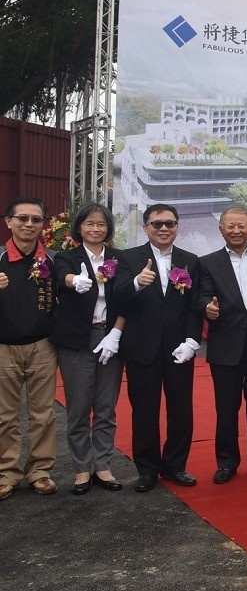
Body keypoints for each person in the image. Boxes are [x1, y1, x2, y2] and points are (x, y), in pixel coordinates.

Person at [113, 203, 203, 492]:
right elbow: (117, 298)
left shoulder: (190, 260)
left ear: (177, 227)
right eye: (157, 224)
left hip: (179, 350)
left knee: (181, 410)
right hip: (142, 348)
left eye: (169, 223)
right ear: (145, 228)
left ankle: (175, 465)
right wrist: (137, 283)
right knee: (144, 411)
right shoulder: (128, 259)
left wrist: (192, 341)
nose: (163, 228)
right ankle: (147, 470)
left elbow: (194, 308)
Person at [196, 206, 247, 483]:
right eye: (230, 226)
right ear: (221, 230)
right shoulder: (207, 263)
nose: (236, 231)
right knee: (226, 407)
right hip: (225, 345)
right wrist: (207, 307)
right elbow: (201, 296)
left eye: (241, 226)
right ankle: (227, 461)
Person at [50, 203, 126, 494]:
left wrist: (116, 334)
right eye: (89, 224)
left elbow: (126, 300)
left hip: (109, 338)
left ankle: (103, 466)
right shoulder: (67, 257)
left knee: (106, 407)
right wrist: (75, 280)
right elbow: (62, 276)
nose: (95, 229)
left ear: (108, 229)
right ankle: (82, 468)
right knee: (79, 407)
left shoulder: (119, 259)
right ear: (79, 227)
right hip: (77, 341)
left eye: (101, 224)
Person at [0, 198, 59, 499]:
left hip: (42, 347)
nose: (29, 225)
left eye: (36, 220)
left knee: (42, 414)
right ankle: (6, 473)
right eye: (22, 218)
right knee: (4, 416)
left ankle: (40, 471)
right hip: (3, 348)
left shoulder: (52, 260)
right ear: (8, 222)